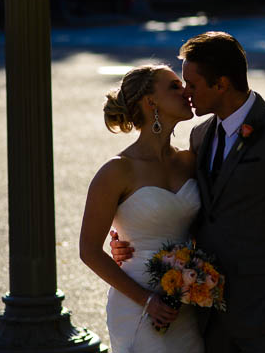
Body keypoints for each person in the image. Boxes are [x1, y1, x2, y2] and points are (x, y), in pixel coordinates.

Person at [111, 31, 265, 353]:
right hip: (206, 318)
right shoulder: (200, 137)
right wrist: (126, 236)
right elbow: (182, 208)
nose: (186, 92)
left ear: (221, 84)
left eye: (192, 85)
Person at [80, 64, 204, 352]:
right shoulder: (116, 171)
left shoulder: (190, 161)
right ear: (151, 102)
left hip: (188, 300)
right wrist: (148, 300)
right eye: (174, 86)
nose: (185, 91)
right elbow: (88, 250)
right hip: (137, 303)